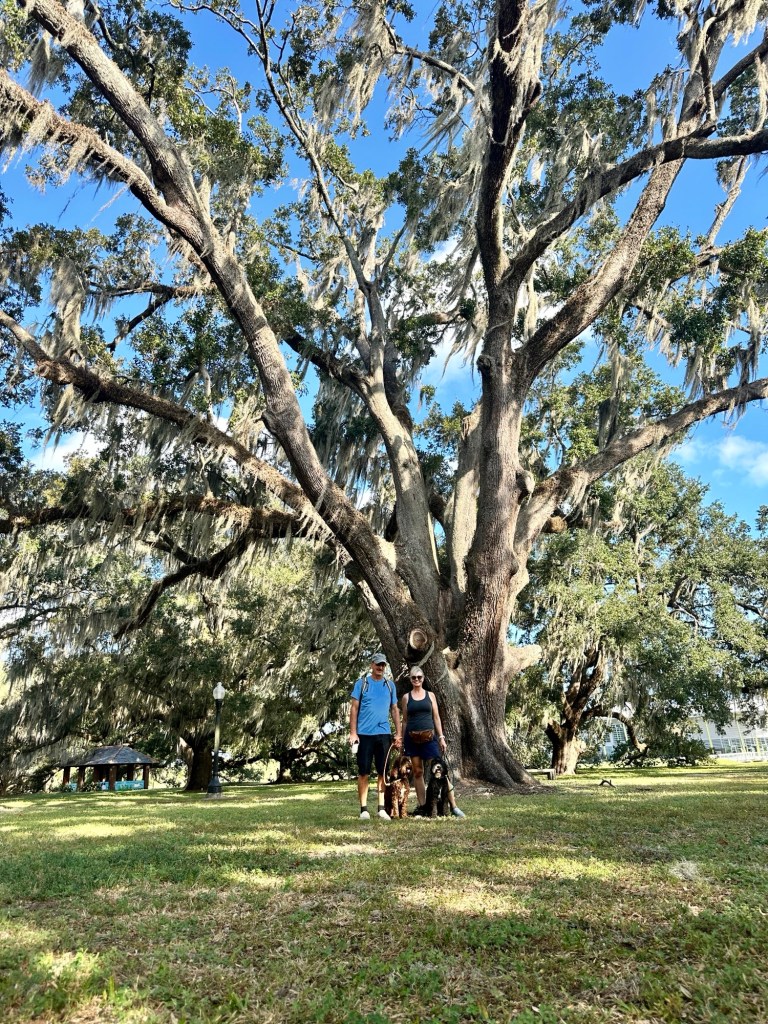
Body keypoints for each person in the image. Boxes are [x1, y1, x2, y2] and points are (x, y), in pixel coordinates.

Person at [401, 667, 466, 817]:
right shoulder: (406, 698)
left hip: (429, 739)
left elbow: (436, 717)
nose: (416, 680)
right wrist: (403, 741)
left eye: (419, 677)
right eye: (413, 678)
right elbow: (405, 721)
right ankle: (424, 807)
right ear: (410, 679)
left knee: (440, 772)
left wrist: (441, 737)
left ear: (423, 678)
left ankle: (454, 806)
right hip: (412, 739)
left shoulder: (430, 696)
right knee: (418, 772)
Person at [349, 653, 402, 820]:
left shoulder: (390, 685)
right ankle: (363, 809)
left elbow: (394, 709)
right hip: (364, 735)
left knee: (382, 772)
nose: (380, 668)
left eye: (383, 665)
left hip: (384, 735)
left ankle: (381, 809)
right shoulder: (362, 684)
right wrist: (353, 733)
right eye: (378, 664)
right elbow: (354, 709)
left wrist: (398, 733)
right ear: (372, 665)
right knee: (364, 771)